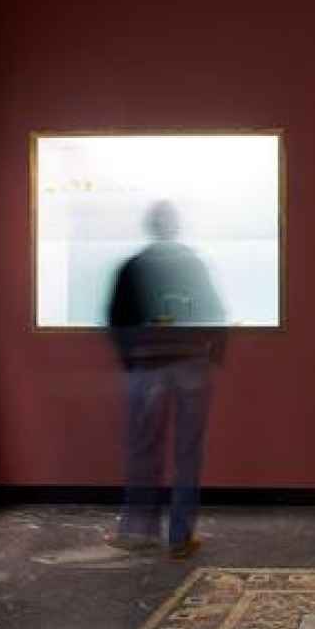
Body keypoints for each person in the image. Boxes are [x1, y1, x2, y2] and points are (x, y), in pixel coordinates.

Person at [105, 201, 225, 560]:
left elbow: (117, 319)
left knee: (143, 448)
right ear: (174, 227)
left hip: (147, 368)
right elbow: (214, 312)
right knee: (188, 452)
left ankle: (138, 530)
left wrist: (129, 360)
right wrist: (213, 357)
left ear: (151, 227)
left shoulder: (134, 265)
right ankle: (180, 535)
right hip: (191, 366)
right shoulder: (192, 262)